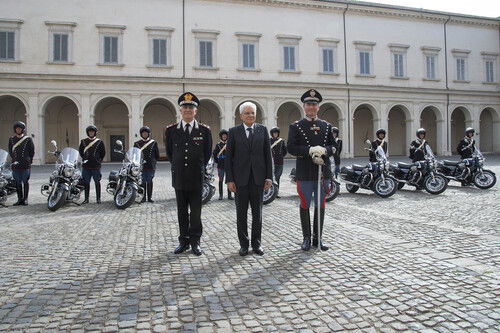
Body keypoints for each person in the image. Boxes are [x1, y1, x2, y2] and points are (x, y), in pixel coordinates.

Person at [287, 89, 337, 251]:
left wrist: (324, 151)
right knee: (305, 204)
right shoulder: (296, 126)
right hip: (305, 172)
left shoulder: (326, 126)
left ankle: (318, 238)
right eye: (309, 104)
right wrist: (309, 150)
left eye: (314, 105)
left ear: (318, 107)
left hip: (323, 172)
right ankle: (307, 238)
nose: (311, 107)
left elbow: (335, 147)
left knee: (321, 205)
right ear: (304, 106)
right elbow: (291, 147)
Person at [165, 92, 212, 256]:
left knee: (196, 213)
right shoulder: (171, 130)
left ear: (196, 111)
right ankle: (183, 242)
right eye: (185, 107)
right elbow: (171, 154)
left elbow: (206, 155)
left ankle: (195, 242)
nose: (188, 110)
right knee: (182, 212)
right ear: (180, 110)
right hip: (179, 178)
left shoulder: (204, 131)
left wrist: (197, 169)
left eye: (191, 107)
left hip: (196, 179)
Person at [225, 101, 273, 257]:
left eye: (253, 113)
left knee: (257, 214)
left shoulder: (263, 130)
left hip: (258, 179)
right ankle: (244, 245)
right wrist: (230, 179)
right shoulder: (233, 132)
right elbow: (229, 158)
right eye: (247, 113)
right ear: (241, 116)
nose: (251, 115)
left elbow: (268, 155)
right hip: (240, 180)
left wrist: (269, 177)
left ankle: (256, 244)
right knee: (241, 214)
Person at [8, 121, 35, 206]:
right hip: (16, 164)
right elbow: (10, 151)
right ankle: (19, 199)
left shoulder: (28, 139)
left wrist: (29, 160)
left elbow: (32, 151)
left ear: (22, 129)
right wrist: (15, 159)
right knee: (17, 182)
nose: (18, 130)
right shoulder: (11, 139)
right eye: (17, 129)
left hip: (25, 163)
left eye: (19, 128)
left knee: (25, 181)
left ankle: (25, 199)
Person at [79, 125, 106, 204]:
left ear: (95, 133)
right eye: (90, 131)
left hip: (96, 166)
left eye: (92, 131)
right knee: (86, 182)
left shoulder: (100, 142)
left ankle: (98, 198)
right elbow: (81, 151)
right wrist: (85, 158)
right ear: (88, 133)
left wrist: (98, 160)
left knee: (97, 182)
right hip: (86, 166)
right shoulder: (83, 141)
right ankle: (86, 199)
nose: (91, 133)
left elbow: (103, 153)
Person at [134, 126, 160, 203]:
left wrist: (153, 162)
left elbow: (157, 155)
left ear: (148, 134)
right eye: (143, 133)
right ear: (141, 134)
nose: (144, 134)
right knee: (142, 182)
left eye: (146, 133)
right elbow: (135, 154)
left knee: (149, 181)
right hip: (141, 166)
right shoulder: (137, 143)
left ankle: (149, 197)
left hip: (150, 165)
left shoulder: (153, 143)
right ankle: (143, 197)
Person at [212, 129, 233, 200]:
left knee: (229, 180)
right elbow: (214, 153)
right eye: (223, 135)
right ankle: (220, 195)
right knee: (220, 180)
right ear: (221, 136)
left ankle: (229, 195)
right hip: (221, 165)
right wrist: (217, 161)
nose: (224, 136)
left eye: (225, 135)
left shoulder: (229, 144)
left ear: (227, 136)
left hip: (229, 165)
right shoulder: (218, 145)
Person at [269, 127, 287, 198]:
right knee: (270, 177)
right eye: (274, 133)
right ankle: (270, 191)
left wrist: (281, 156)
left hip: (279, 161)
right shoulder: (269, 141)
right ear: (272, 134)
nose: (275, 134)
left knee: (277, 177)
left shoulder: (281, 141)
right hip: (271, 161)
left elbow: (285, 150)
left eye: (276, 133)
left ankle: (276, 192)